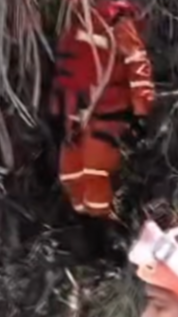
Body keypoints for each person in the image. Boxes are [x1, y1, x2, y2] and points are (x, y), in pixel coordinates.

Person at [48, 0, 155, 221]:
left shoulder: (118, 19)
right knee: (72, 175)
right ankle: (87, 226)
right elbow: (66, 71)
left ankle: (104, 227)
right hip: (75, 119)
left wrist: (141, 111)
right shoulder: (75, 18)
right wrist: (58, 110)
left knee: (97, 176)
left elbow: (136, 61)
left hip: (106, 116)